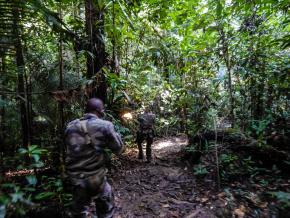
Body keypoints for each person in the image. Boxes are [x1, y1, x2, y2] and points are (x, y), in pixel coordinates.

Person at [64, 98, 124, 218]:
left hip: (76, 179)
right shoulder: (105, 125)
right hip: (96, 178)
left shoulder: (70, 126)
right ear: (99, 110)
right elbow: (119, 149)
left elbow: (66, 151)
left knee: (78, 212)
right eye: (102, 109)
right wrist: (116, 136)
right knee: (106, 211)